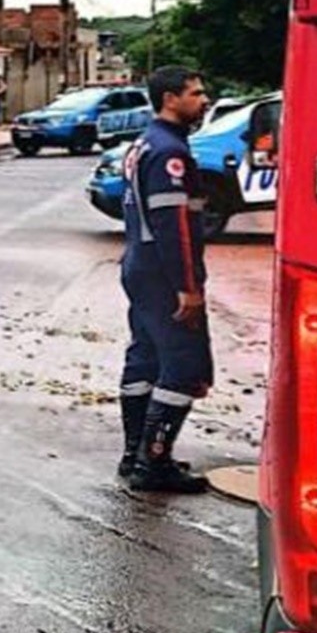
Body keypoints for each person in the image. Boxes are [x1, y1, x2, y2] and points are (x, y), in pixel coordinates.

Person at [117, 65, 215, 493]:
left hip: (139, 263)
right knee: (184, 365)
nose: (204, 99)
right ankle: (153, 464)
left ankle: (135, 452)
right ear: (170, 99)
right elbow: (173, 224)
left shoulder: (144, 144)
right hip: (163, 271)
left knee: (145, 359)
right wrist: (188, 287)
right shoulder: (170, 152)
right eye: (196, 93)